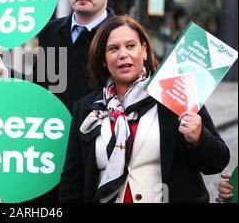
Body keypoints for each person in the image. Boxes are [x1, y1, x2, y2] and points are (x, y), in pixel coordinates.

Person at [58, 15, 230, 203]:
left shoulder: (175, 94)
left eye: (130, 46)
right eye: (113, 48)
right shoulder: (85, 109)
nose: (123, 54)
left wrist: (198, 137)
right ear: (103, 60)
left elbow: (218, 161)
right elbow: (71, 182)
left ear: (145, 50)